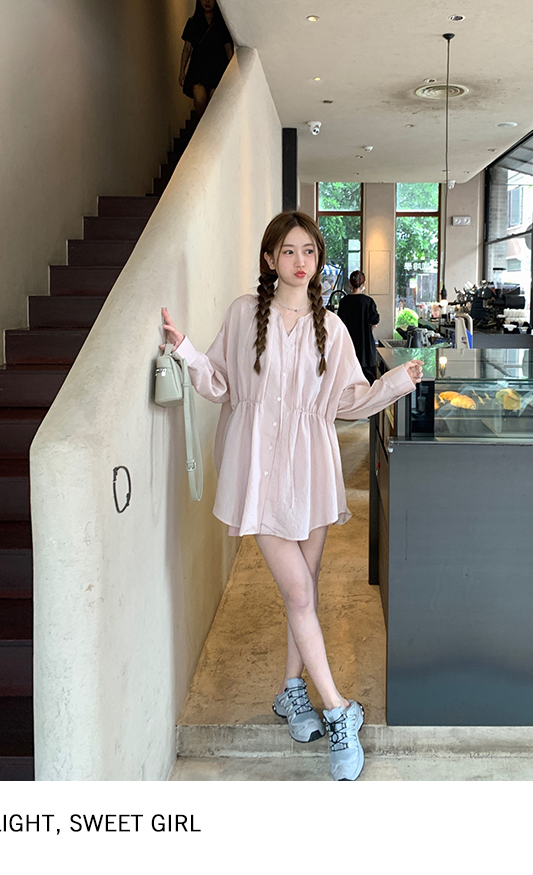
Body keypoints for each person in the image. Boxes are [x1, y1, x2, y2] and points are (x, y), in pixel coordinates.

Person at [161, 211, 422, 781]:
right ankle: (339, 710)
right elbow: (221, 384)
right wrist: (185, 351)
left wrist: (398, 381)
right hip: (258, 471)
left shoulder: (331, 325)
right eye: (288, 251)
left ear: (319, 260)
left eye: (309, 251)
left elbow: (350, 400)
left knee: (304, 588)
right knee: (300, 591)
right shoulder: (243, 314)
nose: (300, 261)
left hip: (312, 469)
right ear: (269, 259)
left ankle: (291, 690)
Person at [179, 0, 234, 117]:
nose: (207, 1)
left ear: (216, 0)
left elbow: (228, 48)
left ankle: (211, 127)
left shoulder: (222, 23)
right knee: (199, 100)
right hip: (198, 67)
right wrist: (182, 71)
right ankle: (201, 124)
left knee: (215, 102)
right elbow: (187, 48)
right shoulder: (193, 23)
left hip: (218, 66)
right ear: (199, 0)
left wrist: (232, 71)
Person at [337, 270, 379, 384]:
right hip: (366, 348)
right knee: (368, 382)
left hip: (348, 347)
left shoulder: (344, 302)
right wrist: (368, 332)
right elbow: (375, 322)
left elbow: (340, 325)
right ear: (363, 284)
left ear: (350, 284)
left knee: (348, 383)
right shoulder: (368, 301)